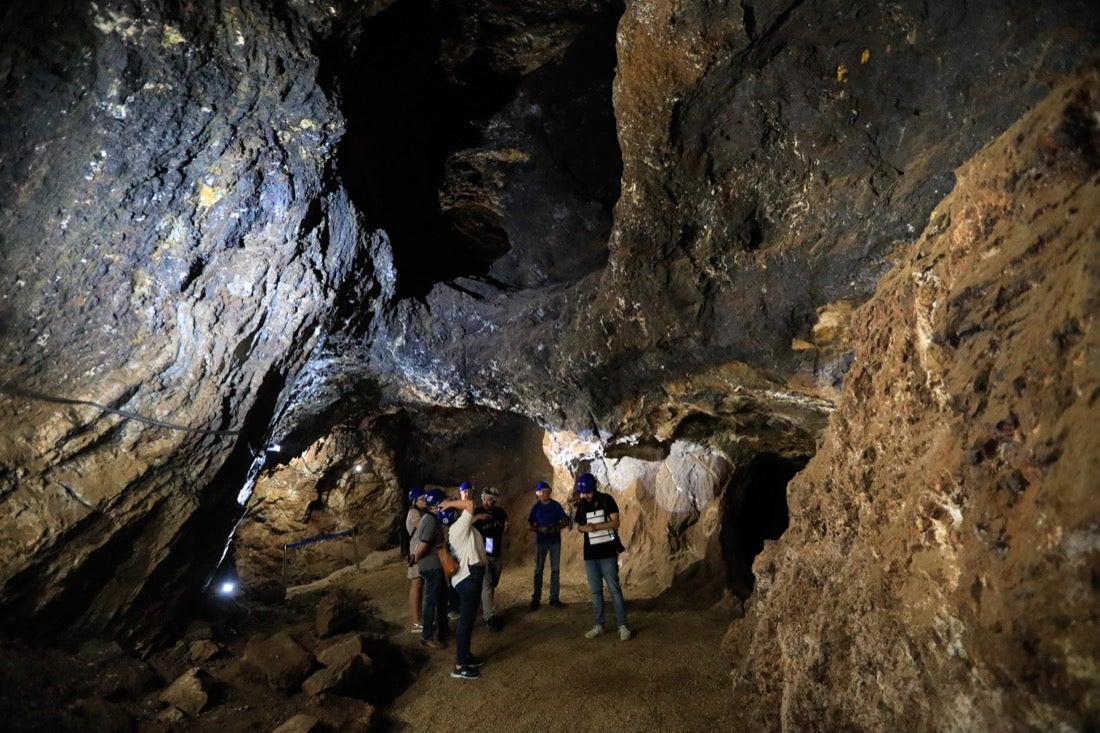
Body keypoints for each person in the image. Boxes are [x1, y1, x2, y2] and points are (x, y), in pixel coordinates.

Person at [573, 472, 631, 641]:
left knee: (614, 589)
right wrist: (585, 528)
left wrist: (596, 527)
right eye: (583, 492)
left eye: (588, 492)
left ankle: (623, 626)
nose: (585, 495)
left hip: (607, 554)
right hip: (590, 555)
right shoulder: (582, 505)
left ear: (594, 488)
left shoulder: (607, 500)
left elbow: (616, 522)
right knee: (596, 591)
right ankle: (599, 625)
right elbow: (579, 527)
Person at [438, 493, 488, 680]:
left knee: (468, 620)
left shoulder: (458, 528)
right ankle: (460, 665)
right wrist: (449, 503)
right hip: (468, 578)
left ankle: (466, 656)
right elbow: (469, 504)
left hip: (470, 576)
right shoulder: (457, 528)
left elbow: (470, 514)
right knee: (465, 622)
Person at [409, 488, 449, 649]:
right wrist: (416, 559)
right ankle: (427, 636)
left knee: (441, 598)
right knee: (431, 601)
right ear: (438, 504)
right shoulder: (430, 521)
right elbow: (424, 545)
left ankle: (443, 628)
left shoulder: (428, 518)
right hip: (432, 566)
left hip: (434, 565)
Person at [526, 480, 569, 610]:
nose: (543, 494)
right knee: (538, 570)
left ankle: (554, 598)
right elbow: (530, 525)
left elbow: (565, 521)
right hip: (541, 542)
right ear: (538, 494)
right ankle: (536, 599)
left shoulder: (556, 506)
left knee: (555, 570)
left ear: (549, 492)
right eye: (541, 492)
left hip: (554, 541)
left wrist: (555, 527)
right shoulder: (536, 508)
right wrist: (540, 529)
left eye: (546, 492)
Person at [473, 486, 509, 630]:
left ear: (494, 500)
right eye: (484, 499)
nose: (486, 502)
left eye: (488, 499)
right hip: (482, 554)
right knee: (487, 585)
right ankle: (489, 617)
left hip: (496, 552)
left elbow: (505, 525)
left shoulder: (500, 513)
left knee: (493, 582)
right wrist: (477, 518)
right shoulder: (477, 512)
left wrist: (507, 527)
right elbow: (464, 526)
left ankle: (483, 605)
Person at [405, 487, 428, 633]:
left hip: (421, 552)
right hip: (416, 553)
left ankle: (419, 619)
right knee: (416, 584)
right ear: (415, 501)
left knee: (420, 584)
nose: (425, 501)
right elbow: (423, 527)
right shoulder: (413, 513)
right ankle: (416, 622)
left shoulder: (420, 512)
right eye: (422, 499)